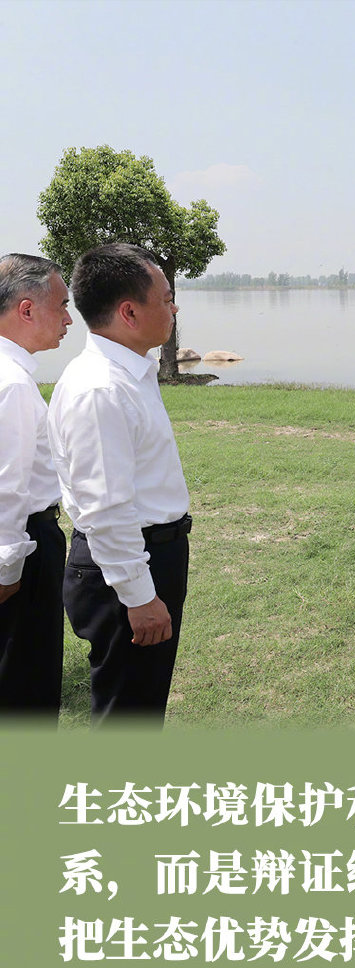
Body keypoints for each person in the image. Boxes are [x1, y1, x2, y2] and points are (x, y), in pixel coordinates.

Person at [48, 243, 190, 725]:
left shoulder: (130, 372)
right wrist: (139, 596)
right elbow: (104, 507)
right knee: (126, 717)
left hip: (147, 555)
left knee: (140, 707)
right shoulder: (101, 388)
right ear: (129, 312)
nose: (174, 308)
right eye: (167, 299)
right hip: (124, 567)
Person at [0, 255, 73, 717]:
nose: (69, 319)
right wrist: (7, 569)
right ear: (26, 309)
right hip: (25, 543)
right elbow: (7, 485)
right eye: (62, 305)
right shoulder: (12, 384)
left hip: (21, 539)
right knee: (26, 681)